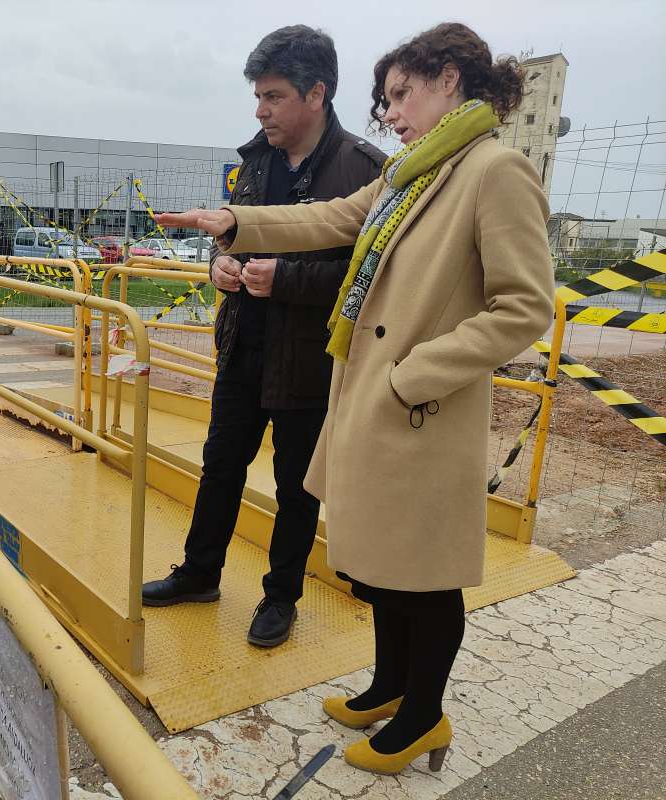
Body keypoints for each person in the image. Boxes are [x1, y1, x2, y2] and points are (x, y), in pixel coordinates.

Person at [156, 22, 555, 775]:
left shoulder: (491, 170)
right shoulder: (413, 173)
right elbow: (330, 219)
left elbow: (523, 307)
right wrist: (234, 223)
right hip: (373, 400)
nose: (391, 112)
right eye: (384, 100)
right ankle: (387, 687)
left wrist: (413, 373)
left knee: (424, 574)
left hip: (417, 406)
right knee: (379, 565)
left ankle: (422, 718)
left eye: (402, 93)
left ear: (450, 80)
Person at [141, 26, 384, 648]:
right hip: (243, 346)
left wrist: (289, 280)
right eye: (258, 96)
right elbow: (232, 237)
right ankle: (200, 574)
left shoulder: (364, 170)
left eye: (273, 96)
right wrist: (219, 267)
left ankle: (281, 598)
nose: (261, 110)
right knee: (219, 466)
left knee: (296, 487)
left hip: (308, 360)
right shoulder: (252, 161)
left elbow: (373, 277)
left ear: (317, 94)